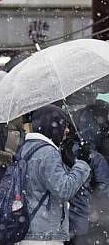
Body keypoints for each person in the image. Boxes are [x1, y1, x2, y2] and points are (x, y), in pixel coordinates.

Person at [18, 105, 91, 245]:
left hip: (28, 229)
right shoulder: (48, 153)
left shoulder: (27, 148)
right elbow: (64, 190)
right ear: (53, 126)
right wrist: (82, 164)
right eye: (64, 124)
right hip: (45, 235)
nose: (67, 130)